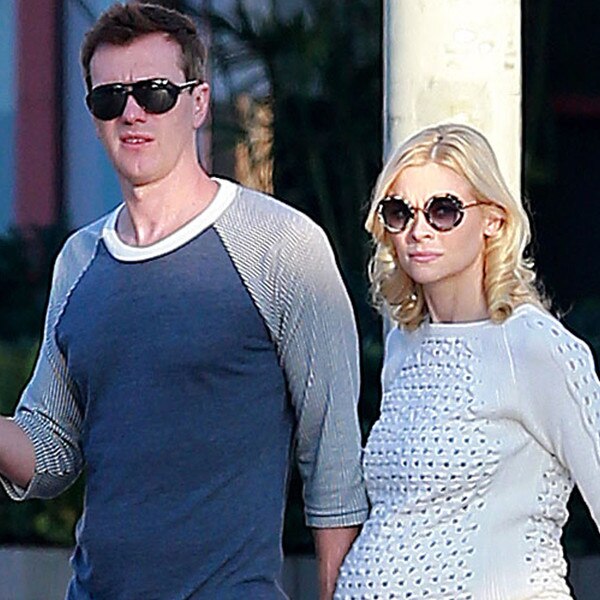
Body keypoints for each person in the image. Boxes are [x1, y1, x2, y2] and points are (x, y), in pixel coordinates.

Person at [0, 3, 367, 598]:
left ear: (198, 104)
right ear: (93, 116)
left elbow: (334, 459)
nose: (132, 112)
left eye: (155, 93)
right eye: (110, 98)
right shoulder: (79, 260)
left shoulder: (281, 246)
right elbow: (50, 450)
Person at [334, 123, 600, 599]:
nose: (418, 231)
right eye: (399, 212)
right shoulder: (404, 345)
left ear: (493, 219)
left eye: (443, 210)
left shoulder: (532, 346)